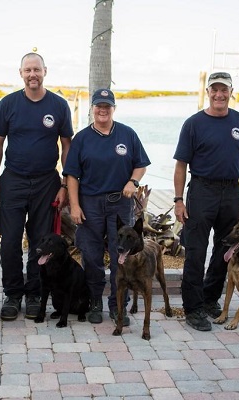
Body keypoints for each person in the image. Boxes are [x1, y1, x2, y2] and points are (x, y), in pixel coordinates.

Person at [0, 53, 73, 321]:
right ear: (20, 73)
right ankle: (13, 294)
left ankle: (35, 294)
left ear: (45, 71)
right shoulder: (8, 104)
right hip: (12, 180)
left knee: (41, 243)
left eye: (36, 69)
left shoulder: (59, 106)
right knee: (10, 242)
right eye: (28, 70)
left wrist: (64, 183)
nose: (32, 74)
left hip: (46, 182)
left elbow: (66, 147)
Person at [173, 72, 239, 331]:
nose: (219, 94)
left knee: (225, 251)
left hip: (231, 192)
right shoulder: (193, 123)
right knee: (196, 252)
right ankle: (193, 308)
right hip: (201, 191)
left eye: (224, 90)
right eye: (214, 90)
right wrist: (178, 200)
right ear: (207, 92)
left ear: (232, 92)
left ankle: (209, 299)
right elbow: (181, 165)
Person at [64, 88, 150, 325]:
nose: (102, 110)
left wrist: (133, 181)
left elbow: (141, 164)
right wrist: (74, 205)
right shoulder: (81, 138)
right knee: (91, 257)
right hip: (90, 204)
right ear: (92, 108)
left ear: (113, 108)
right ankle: (94, 302)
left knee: (119, 256)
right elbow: (71, 175)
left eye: (107, 106)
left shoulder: (127, 134)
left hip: (120, 206)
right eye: (98, 106)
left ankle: (117, 304)